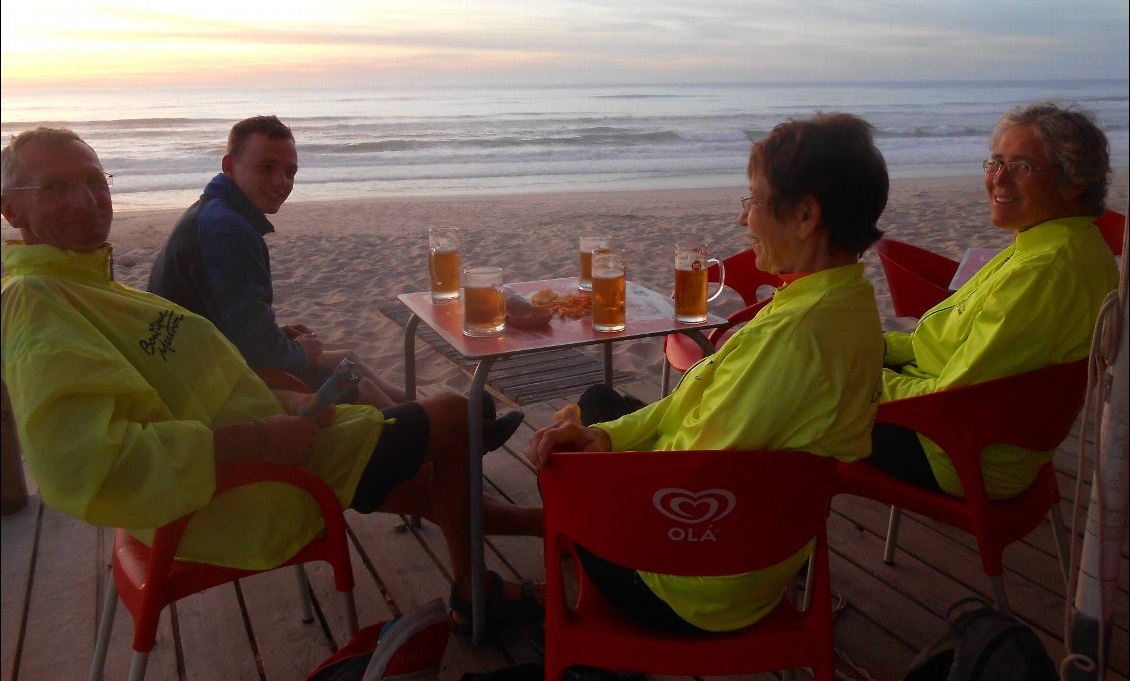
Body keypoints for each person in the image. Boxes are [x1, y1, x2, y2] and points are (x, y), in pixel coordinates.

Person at [0, 126, 542, 638]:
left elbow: (188, 374)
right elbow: (90, 466)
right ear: (11, 207)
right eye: (54, 187)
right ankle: (485, 574)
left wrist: (282, 401)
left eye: (96, 180)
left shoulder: (82, 279)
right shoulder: (39, 305)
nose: (86, 199)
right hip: (231, 492)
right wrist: (262, 436)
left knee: (423, 468)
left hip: (257, 439)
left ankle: (529, 541)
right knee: (451, 415)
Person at [527, 113, 890, 634]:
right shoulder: (844, 299)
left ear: (807, 214)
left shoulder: (794, 337)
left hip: (688, 580)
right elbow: (690, 411)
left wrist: (593, 463)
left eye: (754, 200)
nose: (744, 219)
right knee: (599, 405)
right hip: (756, 547)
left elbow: (690, 471)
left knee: (556, 462)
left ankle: (585, 617)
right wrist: (605, 439)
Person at [869, 102, 1119, 500]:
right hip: (970, 427)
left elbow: (952, 400)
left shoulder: (1044, 271)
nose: (998, 180)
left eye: (1022, 167)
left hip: (958, 453)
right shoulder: (1056, 242)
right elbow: (951, 347)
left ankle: (770, 551)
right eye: (996, 162)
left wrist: (856, 376)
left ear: (1074, 182)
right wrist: (875, 347)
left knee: (788, 403)